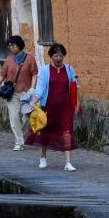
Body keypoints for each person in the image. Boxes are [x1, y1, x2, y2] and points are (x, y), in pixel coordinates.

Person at [27, 43, 79, 171]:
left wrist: (77, 104)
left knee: (67, 132)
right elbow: (40, 89)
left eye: (60, 55)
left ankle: (68, 163)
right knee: (45, 132)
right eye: (55, 56)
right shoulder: (45, 70)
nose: (58, 58)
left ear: (64, 56)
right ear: (51, 56)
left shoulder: (69, 69)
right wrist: (34, 102)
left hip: (66, 107)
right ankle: (43, 158)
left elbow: (74, 87)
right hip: (49, 107)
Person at [0, 35, 38, 150]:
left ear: (19, 45)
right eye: (9, 46)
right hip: (12, 93)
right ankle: (19, 142)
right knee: (14, 116)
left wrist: (32, 88)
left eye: (13, 45)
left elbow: (34, 74)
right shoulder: (9, 60)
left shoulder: (30, 59)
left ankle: (21, 137)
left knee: (27, 118)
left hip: (27, 93)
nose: (10, 47)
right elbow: (1, 76)